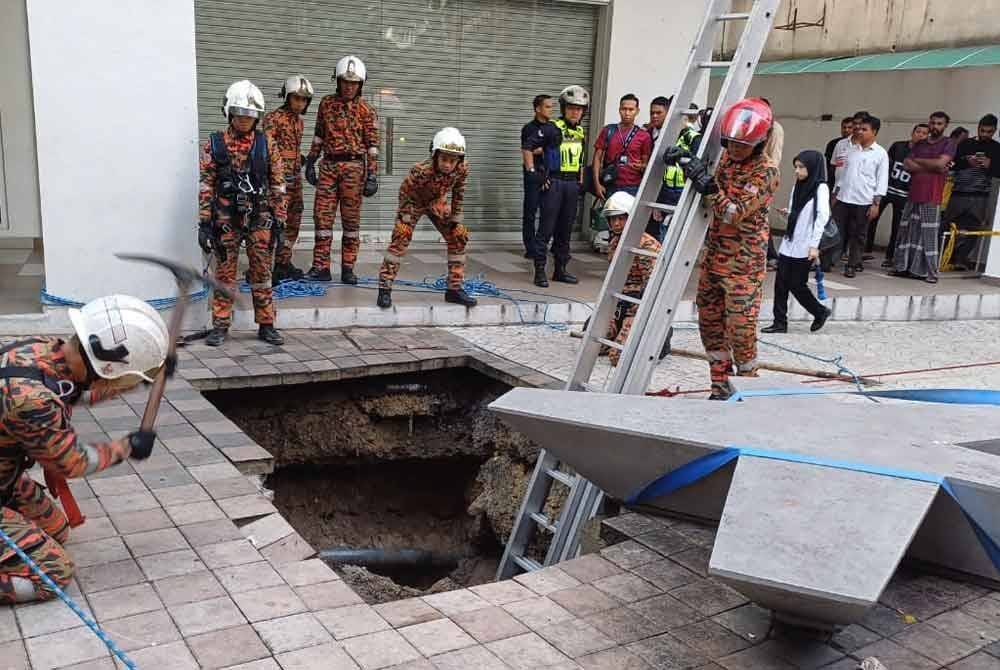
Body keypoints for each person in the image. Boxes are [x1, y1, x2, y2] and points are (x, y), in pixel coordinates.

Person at [1, 295, 168, 604]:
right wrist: (126, 447)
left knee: (57, 529)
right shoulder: (32, 401)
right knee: (52, 574)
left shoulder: (43, 350)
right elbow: (71, 462)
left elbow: (76, 393)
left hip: (6, 478)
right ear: (105, 368)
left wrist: (142, 378)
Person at [681, 98, 779, 400]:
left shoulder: (766, 172)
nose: (734, 149)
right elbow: (707, 182)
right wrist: (686, 163)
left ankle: (747, 389)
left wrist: (709, 186)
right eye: (731, 143)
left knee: (741, 332)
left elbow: (734, 212)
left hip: (743, 269)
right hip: (714, 260)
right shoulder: (725, 159)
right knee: (710, 327)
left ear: (759, 143)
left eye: (742, 145)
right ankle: (720, 388)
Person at [198, 80, 287, 347]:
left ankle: (267, 324)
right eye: (240, 114)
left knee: (262, 273)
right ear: (229, 113)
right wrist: (204, 223)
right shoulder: (215, 144)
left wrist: (280, 220)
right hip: (226, 219)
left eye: (250, 115)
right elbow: (206, 185)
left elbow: (278, 183)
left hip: (260, 217)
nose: (245, 119)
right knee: (225, 274)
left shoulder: (266, 144)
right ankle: (220, 325)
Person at [376, 128, 476, 309]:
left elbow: (459, 192)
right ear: (435, 155)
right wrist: (405, 215)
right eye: (444, 159)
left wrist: (456, 218)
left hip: (437, 201)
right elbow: (405, 191)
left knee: (458, 236)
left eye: (452, 160)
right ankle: (385, 288)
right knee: (401, 236)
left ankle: (454, 289)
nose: (448, 165)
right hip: (413, 202)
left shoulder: (462, 169)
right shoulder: (421, 170)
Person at [304, 55, 379, 284]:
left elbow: (372, 146)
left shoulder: (367, 110)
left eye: (354, 83)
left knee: (351, 221)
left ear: (360, 85)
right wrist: (311, 161)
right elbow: (319, 135)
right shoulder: (326, 104)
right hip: (328, 166)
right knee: (322, 218)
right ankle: (321, 267)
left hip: (354, 169)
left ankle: (348, 268)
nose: (349, 87)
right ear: (338, 81)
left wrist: (372, 175)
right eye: (345, 82)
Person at [762, 151, 832, 334]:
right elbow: (797, 212)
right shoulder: (798, 186)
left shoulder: (820, 188)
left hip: (806, 244)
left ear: (812, 168)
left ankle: (820, 311)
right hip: (790, 242)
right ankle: (779, 322)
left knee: (796, 284)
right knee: (781, 284)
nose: (797, 171)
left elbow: (822, 217)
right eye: (796, 167)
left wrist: (814, 246)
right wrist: (788, 213)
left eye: (801, 167)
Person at [598, 191, 670, 365]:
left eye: (621, 218)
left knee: (618, 357)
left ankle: (659, 335)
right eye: (612, 219)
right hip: (619, 302)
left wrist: (638, 313)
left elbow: (652, 286)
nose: (616, 223)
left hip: (638, 305)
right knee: (594, 345)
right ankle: (621, 328)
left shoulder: (646, 246)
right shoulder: (615, 243)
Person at [533, 85, 590, 288]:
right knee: (546, 229)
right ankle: (540, 271)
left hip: (571, 185)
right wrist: (540, 175)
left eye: (579, 109)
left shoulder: (581, 132)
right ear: (564, 108)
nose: (575, 112)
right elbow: (532, 150)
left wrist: (581, 182)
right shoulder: (551, 128)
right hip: (554, 183)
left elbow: (580, 159)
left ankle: (560, 270)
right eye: (571, 108)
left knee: (565, 230)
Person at [895, 111, 956, 283]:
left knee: (928, 235)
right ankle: (903, 268)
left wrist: (920, 161)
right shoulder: (920, 143)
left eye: (939, 124)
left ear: (945, 126)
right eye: (933, 123)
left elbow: (941, 163)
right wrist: (932, 165)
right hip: (914, 193)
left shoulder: (948, 143)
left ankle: (929, 273)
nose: (935, 126)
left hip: (932, 195)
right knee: (907, 232)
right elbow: (907, 164)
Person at [265, 75, 314, 284]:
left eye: (304, 100)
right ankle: (264, 267)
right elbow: (268, 149)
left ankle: (283, 262)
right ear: (287, 97)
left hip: (295, 179)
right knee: (275, 222)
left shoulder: (299, 122)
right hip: (279, 180)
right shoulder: (273, 118)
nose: (300, 103)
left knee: (294, 220)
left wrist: (301, 159)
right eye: (296, 98)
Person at [831, 113, 889, 278]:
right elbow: (842, 175)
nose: (859, 131)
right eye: (859, 129)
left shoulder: (880, 153)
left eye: (864, 129)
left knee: (858, 235)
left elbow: (882, 180)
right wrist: (835, 194)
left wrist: (876, 204)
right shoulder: (851, 150)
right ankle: (828, 261)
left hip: (863, 201)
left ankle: (852, 264)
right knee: (835, 231)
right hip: (843, 198)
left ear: (874, 132)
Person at [942, 114, 1000, 270]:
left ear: (994, 131)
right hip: (958, 192)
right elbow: (950, 164)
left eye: (989, 132)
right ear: (978, 128)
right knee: (948, 226)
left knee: (973, 228)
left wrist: (990, 165)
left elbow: (998, 172)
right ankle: (942, 256)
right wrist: (966, 161)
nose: (985, 134)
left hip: (980, 196)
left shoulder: (997, 148)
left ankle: (960, 259)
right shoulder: (965, 144)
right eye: (982, 131)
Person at [876, 124, 930, 268]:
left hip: (905, 194)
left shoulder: (925, 154)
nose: (920, 135)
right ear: (912, 132)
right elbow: (886, 165)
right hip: (887, 190)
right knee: (871, 218)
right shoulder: (898, 146)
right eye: (918, 131)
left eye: (924, 133)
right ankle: (864, 250)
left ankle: (890, 256)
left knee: (897, 227)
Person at [652, 104, 702, 240]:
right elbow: (659, 171)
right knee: (664, 233)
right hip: (666, 192)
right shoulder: (666, 137)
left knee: (679, 234)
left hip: (684, 192)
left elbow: (698, 166)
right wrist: (657, 201)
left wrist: (685, 155)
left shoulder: (694, 137)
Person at [592, 94, 653, 200]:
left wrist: (642, 166)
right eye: (624, 109)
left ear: (637, 111)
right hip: (610, 183)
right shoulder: (608, 130)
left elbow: (646, 164)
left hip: (633, 187)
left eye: (631, 110)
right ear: (619, 110)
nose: (627, 113)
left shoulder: (644, 136)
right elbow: (597, 158)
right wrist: (597, 184)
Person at [520, 95, 559, 258]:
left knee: (549, 211)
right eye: (547, 107)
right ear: (537, 108)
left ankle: (543, 244)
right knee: (530, 211)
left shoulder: (553, 127)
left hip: (549, 172)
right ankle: (530, 247)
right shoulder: (529, 128)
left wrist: (543, 149)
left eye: (552, 107)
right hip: (533, 173)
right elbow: (528, 150)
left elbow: (555, 147)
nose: (551, 110)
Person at [825, 117, 854, 189]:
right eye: (844, 127)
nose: (846, 130)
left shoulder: (859, 144)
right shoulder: (834, 143)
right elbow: (830, 166)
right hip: (835, 184)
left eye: (849, 127)